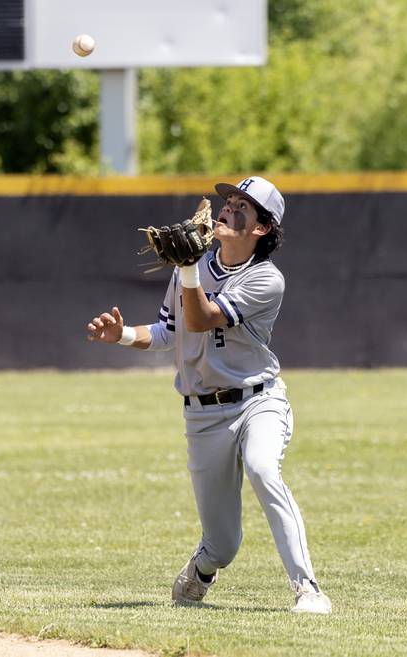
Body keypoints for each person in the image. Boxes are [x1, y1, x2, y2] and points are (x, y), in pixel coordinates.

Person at [86, 176, 331, 614]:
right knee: (223, 545)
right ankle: (203, 568)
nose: (228, 209)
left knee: (263, 469)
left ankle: (308, 589)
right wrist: (121, 335)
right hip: (202, 414)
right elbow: (171, 330)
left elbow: (201, 319)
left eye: (243, 207)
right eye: (229, 201)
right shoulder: (195, 267)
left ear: (261, 228)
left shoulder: (265, 279)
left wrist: (186, 267)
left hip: (259, 399)